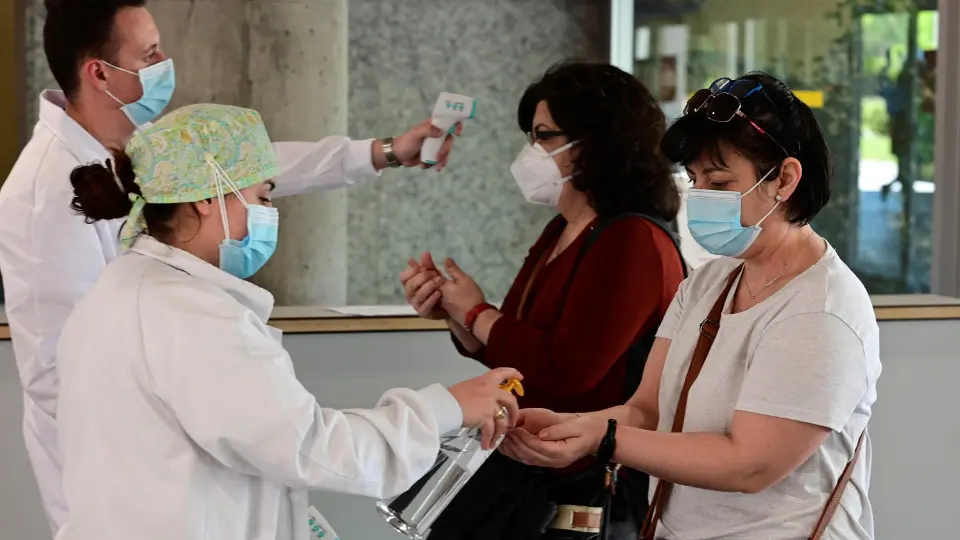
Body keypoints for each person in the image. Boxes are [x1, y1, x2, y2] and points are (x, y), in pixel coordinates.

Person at [0, 1, 459, 535]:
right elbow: (56, 381)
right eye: (150, 54)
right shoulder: (53, 203)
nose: (166, 63)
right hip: (132, 484)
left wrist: (382, 152)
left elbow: (246, 166)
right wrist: (445, 408)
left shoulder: (151, 182)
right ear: (99, 73)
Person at [54, 103, 518, 540]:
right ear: (207, 198)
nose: (270, 213)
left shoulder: (120, 289)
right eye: (263, 196)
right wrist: (445, 409)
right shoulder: (188, 311)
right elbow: (308, 447)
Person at [500, 73, 881, 540]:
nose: (699, 197)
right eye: (695, 179)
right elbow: (648, 410)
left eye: (718, 181)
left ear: (784, 179)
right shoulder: (708, 283)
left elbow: (750, 465)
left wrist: (604, 439)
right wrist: (571, 427)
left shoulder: (821, 311)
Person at [400, 61, 687, 539]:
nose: (531, 151)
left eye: (544, 136)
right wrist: (454, 311)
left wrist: (476, 312)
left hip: (585, 484)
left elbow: (569, 369)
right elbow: (517, 347)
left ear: (594, 143)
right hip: (529, 473)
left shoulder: (631, 240)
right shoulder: (564, 229)